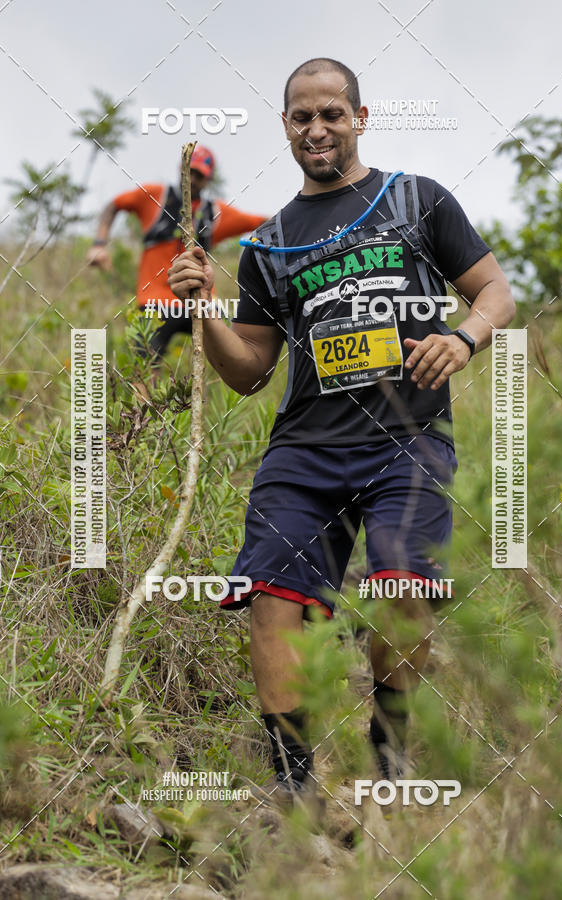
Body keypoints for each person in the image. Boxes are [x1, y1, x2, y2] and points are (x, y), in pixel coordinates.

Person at [168, 58, 516, 807]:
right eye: (302, 117)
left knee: (402, 592)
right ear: (286, 126)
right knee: (270, 597)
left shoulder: (416, 200)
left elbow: (495, 291)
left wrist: (464, 338)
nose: (317, 128)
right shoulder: (270, 243)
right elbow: (250, 371)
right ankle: (292, 788)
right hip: (304, 452)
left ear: (360, 117)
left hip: (409, 443)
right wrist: (204, 312)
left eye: (332, 113)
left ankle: (389, 760)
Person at [87, 145, 267, 360]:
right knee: (144, 368)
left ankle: (205, 393)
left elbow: (261, 222)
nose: (191, 179)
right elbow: (114, 205)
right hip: (155, 300)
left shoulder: (216, 213)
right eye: (188, 171)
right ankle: (144, 394)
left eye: (198, 175)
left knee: (226, 359)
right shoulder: (155, 197)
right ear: (180, 169)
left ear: (208, 180)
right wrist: (99, 244)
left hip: (201, 300)